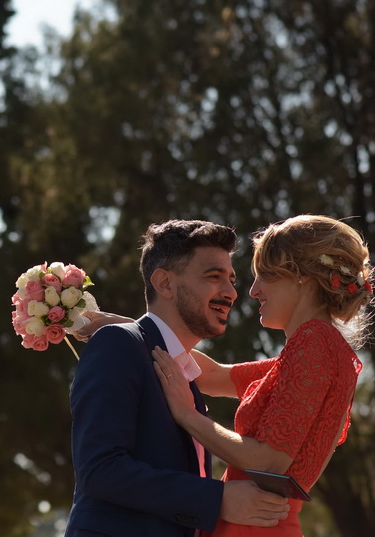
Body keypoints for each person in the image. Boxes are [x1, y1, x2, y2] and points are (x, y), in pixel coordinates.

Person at [83, 214, 374, 536]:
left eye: (263, 276)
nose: (252, 291)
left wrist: (186, 414)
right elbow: (212, 376)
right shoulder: (310, 353)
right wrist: (128, 328)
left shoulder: (315, 344)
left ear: (300, 277)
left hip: (253, 525)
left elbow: (268, 463)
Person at [65, 219, 290, 536]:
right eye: (214, 277)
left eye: (230, 279)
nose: (231, 293)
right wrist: (219, 499)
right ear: (165, 284)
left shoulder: (183, 371)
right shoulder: (117, 343)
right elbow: (100, 470)